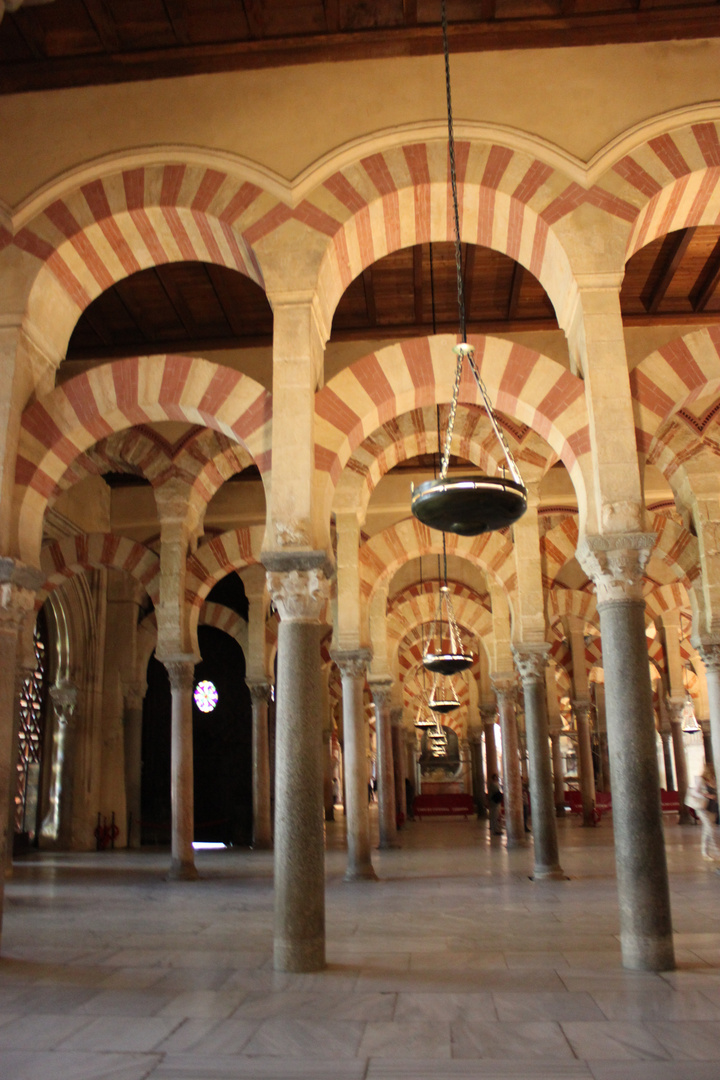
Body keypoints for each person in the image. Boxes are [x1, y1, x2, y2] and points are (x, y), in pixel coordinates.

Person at [688, 764, 720, 860]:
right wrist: (708, 795)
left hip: (712, 808)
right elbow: (695, 792)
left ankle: (705, 852)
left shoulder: (715, 779)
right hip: (703, 808)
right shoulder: (702, 780)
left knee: (707, 831)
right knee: (711, 829)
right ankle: (717, 851)